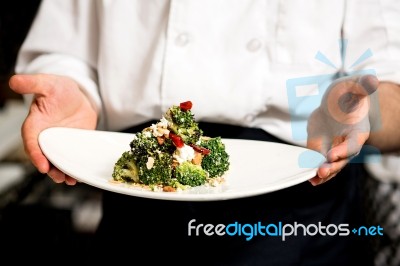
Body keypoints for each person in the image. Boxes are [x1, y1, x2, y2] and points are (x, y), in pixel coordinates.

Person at [9, 0, 400, 265]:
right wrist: (73, 90)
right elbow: (66, 49)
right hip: (139, 205)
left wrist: (360, 109)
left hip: (297, 210)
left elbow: (390, 85)